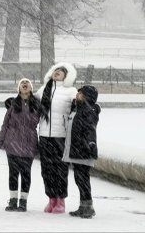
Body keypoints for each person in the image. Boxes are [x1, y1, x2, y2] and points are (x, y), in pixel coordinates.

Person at [34, 62, 78, 214]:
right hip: (45, 135)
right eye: (55, 70)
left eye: (60, 71)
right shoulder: (44, 89)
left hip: (61, 136)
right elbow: (31, 102)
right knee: (46, 169)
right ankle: (51, 198)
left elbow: (82, 105)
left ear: (66, 76)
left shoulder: (71, 91)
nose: (57, 73)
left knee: (60, 169)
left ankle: (61, 200)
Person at [0, 78, 41, 212]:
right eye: (22, 84)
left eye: (27, 84)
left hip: (29, 144)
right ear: (19, 89)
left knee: (26, 174)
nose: (24, 85)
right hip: (12, 144)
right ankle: (13, 200)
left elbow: (45, 124)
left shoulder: (37, 105)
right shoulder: (13, 105)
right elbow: (5, 126)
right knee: (13, 174)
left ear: (31, 88)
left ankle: (23, 202)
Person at [63, 85, 100, 219]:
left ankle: (88, 207)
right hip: (76, 149)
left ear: (86, 96)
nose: (77, 94)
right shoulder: (78, 108)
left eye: (80, 93)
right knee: (79, 179)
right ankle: (83, 206)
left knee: (83, 179)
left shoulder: (88, 111)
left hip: (83, 150)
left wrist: (91, 143)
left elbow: (91, 129)